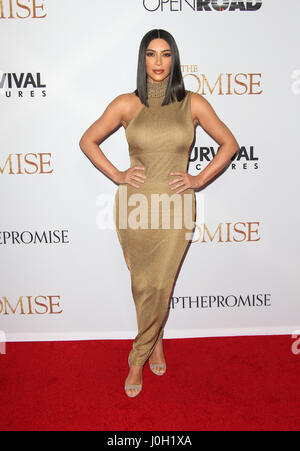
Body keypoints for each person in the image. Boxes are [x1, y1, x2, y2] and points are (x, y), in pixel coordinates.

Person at [79, 29, 239, 398]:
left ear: (174, 59)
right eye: (151, 54)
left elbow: (229, 144)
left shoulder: (193, 103)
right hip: (135, 206)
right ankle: (157, 339)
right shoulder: (126, 104)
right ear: (142, 59)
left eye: (166, 55)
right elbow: (87, 140)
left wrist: (199, 179)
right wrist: (118, 174)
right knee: (143, 284)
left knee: (160, 283)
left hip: (176, 206)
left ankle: (137, 357)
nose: (158, 62)